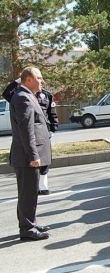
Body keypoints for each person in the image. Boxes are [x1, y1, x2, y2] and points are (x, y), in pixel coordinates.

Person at [10, 66, 52, 241]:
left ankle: (29, 223)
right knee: (28, 194)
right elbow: (26, 131)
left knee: (29, 193)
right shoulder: (23, 98)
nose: (42, 81)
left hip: (27, 156)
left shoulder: (26, 96)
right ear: (28, 80)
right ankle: (27, 229)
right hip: (27, 157)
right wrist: (33, 156)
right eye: (39, 78)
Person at [3, 78, 59, 195]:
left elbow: (52, 113)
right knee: (32, 159)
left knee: (44, 160)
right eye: (37, 78)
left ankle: (43, 186)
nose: (40, 81)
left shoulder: (46, 95)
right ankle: (34, 186)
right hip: (29, 131)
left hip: (43, 132)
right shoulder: (20, 95)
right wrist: (17, 81)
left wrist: (53, 129)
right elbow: (6, 94)